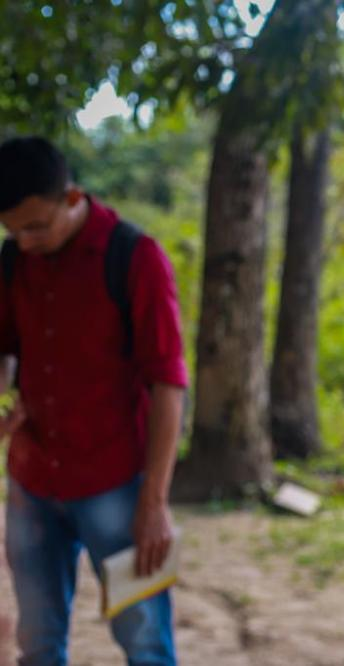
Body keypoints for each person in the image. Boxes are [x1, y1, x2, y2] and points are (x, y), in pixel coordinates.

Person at [0, 136, 186, 666]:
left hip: (117, 487)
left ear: (72, 196)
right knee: (37, 644)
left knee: (145, 642)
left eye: (38, 226)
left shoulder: (135, 255)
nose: (27, 241)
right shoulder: (14, 258)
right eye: (13, 231)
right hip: (32, 483)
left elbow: (169, 382)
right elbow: (5, 350)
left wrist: (154, 503)